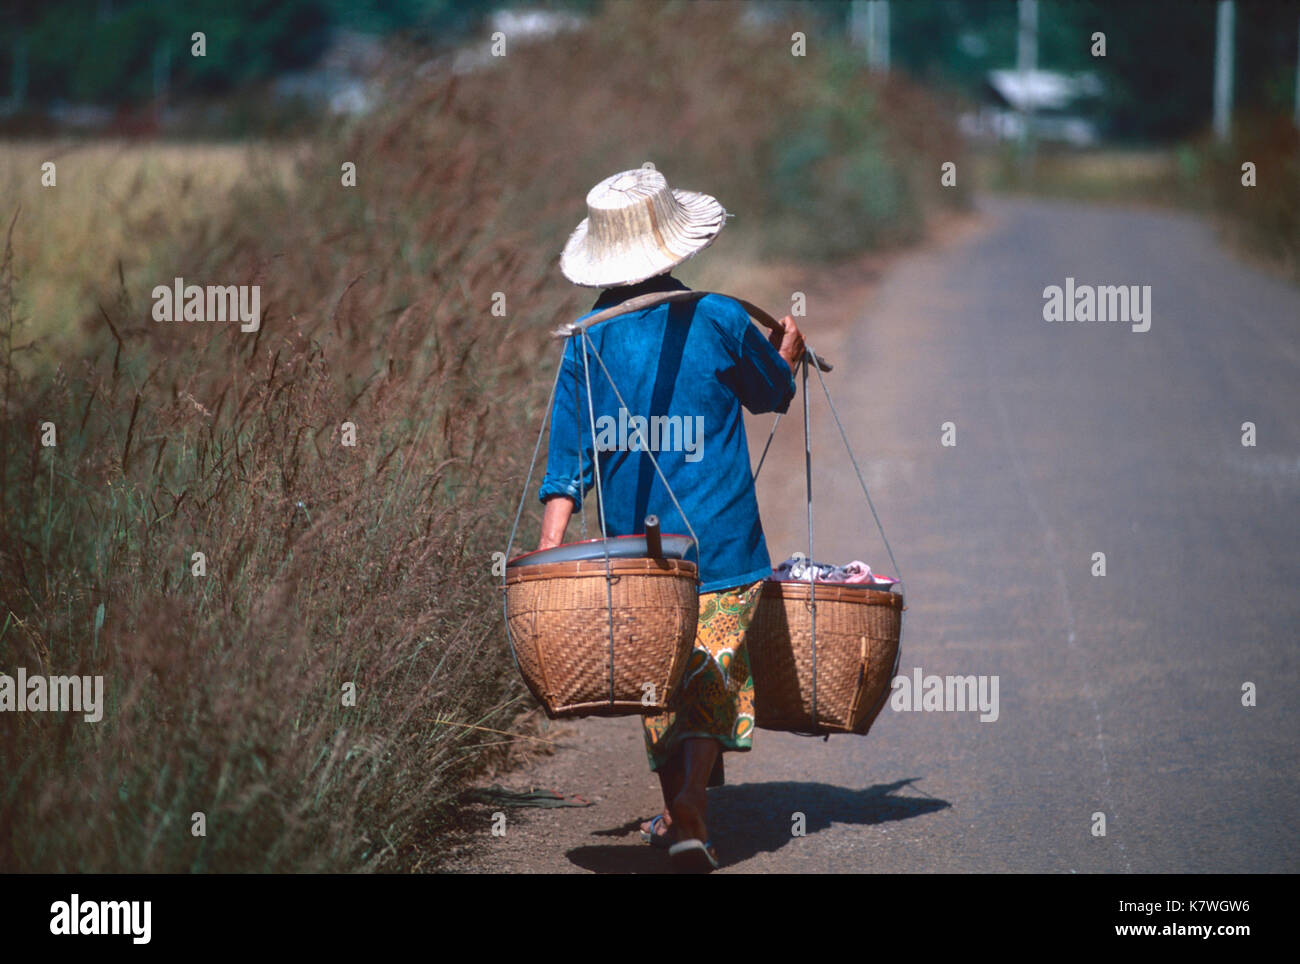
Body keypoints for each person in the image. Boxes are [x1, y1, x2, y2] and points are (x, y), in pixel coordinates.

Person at [536, 167, 804, 872]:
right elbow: (770, 395)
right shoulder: (718, 317)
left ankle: (684, 812)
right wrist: (788, 355)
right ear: (674, 247)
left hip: (637, 555)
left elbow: (568, 458)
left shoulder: (588, 340)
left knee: (662, 686)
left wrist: (549, 552)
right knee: (710, 675)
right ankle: (689, 813)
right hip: (720, 539)